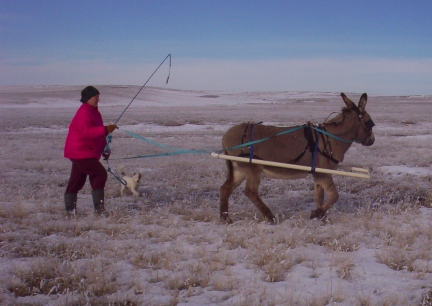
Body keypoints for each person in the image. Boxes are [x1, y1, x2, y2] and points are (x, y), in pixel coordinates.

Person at [64, 86, 117, 215]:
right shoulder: (84, 112)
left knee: (76, 181)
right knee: (100, 174)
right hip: (80, 151)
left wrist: (105, 148)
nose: (98, 99)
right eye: (96, 97)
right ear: (88, 98)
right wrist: (105, 129)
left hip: (84, 152)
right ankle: (99, 210)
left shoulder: (94, 112)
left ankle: (70, 212)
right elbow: (86, 132)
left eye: (98, 97)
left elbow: (97, 134)